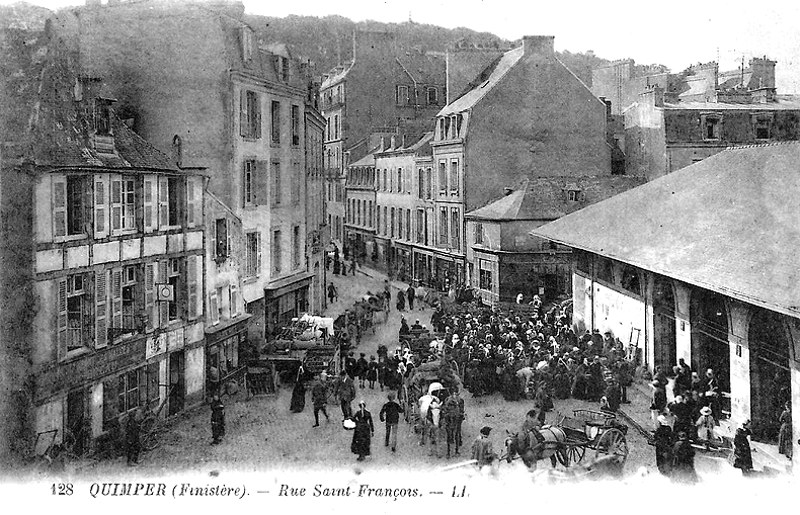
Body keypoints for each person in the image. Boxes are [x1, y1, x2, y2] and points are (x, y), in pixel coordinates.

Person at [442, 388, 465, 458]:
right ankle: (449, 452)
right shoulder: (448, 400)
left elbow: (461, 409)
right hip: (450, 419)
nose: (454, 395)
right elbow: (445, 409)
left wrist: (461, 414)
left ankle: (455, 450)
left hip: (456, 419)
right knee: (450, 435)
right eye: (453, 394)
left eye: (455, 393)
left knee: (457, 433)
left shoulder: (460, 400)